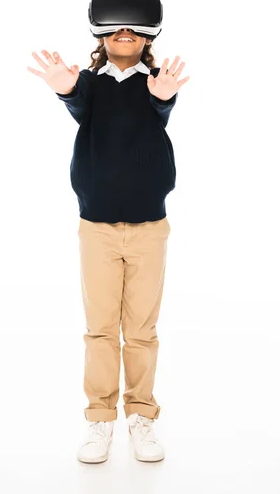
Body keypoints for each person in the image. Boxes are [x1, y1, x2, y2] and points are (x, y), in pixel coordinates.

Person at [27, 28, 190, 463]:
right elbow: (75, 98)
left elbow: (161, 104)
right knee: (100, 330)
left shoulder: (156, 82)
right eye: (116, 28)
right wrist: (64, 86)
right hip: (96, 228)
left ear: (145, 40)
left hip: (149, 228)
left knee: (141, 331)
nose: (124, 33)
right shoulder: (92, 85)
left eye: (134, 29)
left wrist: (164, 97)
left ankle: (141, 416)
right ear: (102, 37)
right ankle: (100, 419)